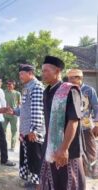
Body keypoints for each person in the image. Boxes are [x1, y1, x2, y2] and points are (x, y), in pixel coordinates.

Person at [40, 56, 86, 190]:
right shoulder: (46, 92)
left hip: (68, 148)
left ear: (57, 71)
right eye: (42, 71)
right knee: (51, 180)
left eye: (46, 71)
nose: (43, 74)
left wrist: (64, 148)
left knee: (70, 182)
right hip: (50, 146)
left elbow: (73, 121)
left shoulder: (70, 90)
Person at [13, 64, 45, 188]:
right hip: (26, 129)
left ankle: (38, 184)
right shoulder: (27, 87)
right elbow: (25, 108)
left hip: (33, 131)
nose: (20, 76)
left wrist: (34, 130)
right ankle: (31, 180)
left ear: (30, 73)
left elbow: (37, 110)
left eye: (22, 74)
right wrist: (14, 111)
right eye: (20, 74)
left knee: (35, 157)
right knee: (28, 157)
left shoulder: (36, 87)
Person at [67, 68, 98, 178]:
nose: (70, 80)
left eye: (72, 78)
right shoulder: (68, 90)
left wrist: (97, 123)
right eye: (69, 78)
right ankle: (80, 171)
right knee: (75, 149)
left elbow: (96, 107)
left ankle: (93, 171)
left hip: (85, 125)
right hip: (71, 126)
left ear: (79, 78)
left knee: (91, 148)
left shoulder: (89, 90)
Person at [3, 80, 21, 150]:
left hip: (14, 115)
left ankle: (12, 146)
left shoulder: (17, 93)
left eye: (10, 84)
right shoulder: (4, 92)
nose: (8, 86)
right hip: (5, 114)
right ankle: (3, 145)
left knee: (14, 130)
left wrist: (17, 110)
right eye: (7, 84)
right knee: (3, 130)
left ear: (14, 85)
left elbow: (20, 104)